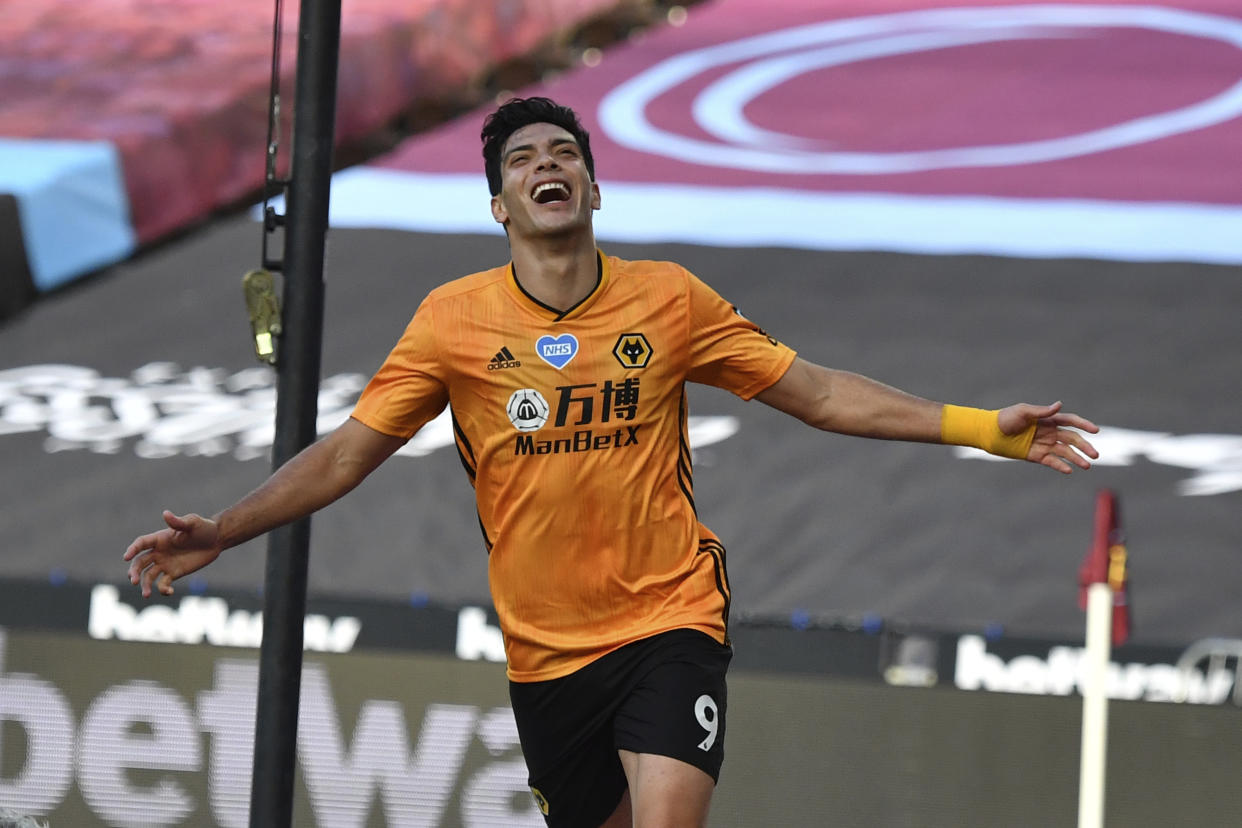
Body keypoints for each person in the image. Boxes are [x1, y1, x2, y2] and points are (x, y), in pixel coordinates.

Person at [124, 97, 1099, 828]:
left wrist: (981, 426)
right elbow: (345, 456)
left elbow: (819, 391)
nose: (546, 166)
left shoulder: (668, 299)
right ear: (498, 201)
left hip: (671, 617)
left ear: (592, 187)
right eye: (524, 160)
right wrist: (223, 528)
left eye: (564, 155)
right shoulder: (453, 323)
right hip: (547, 658)